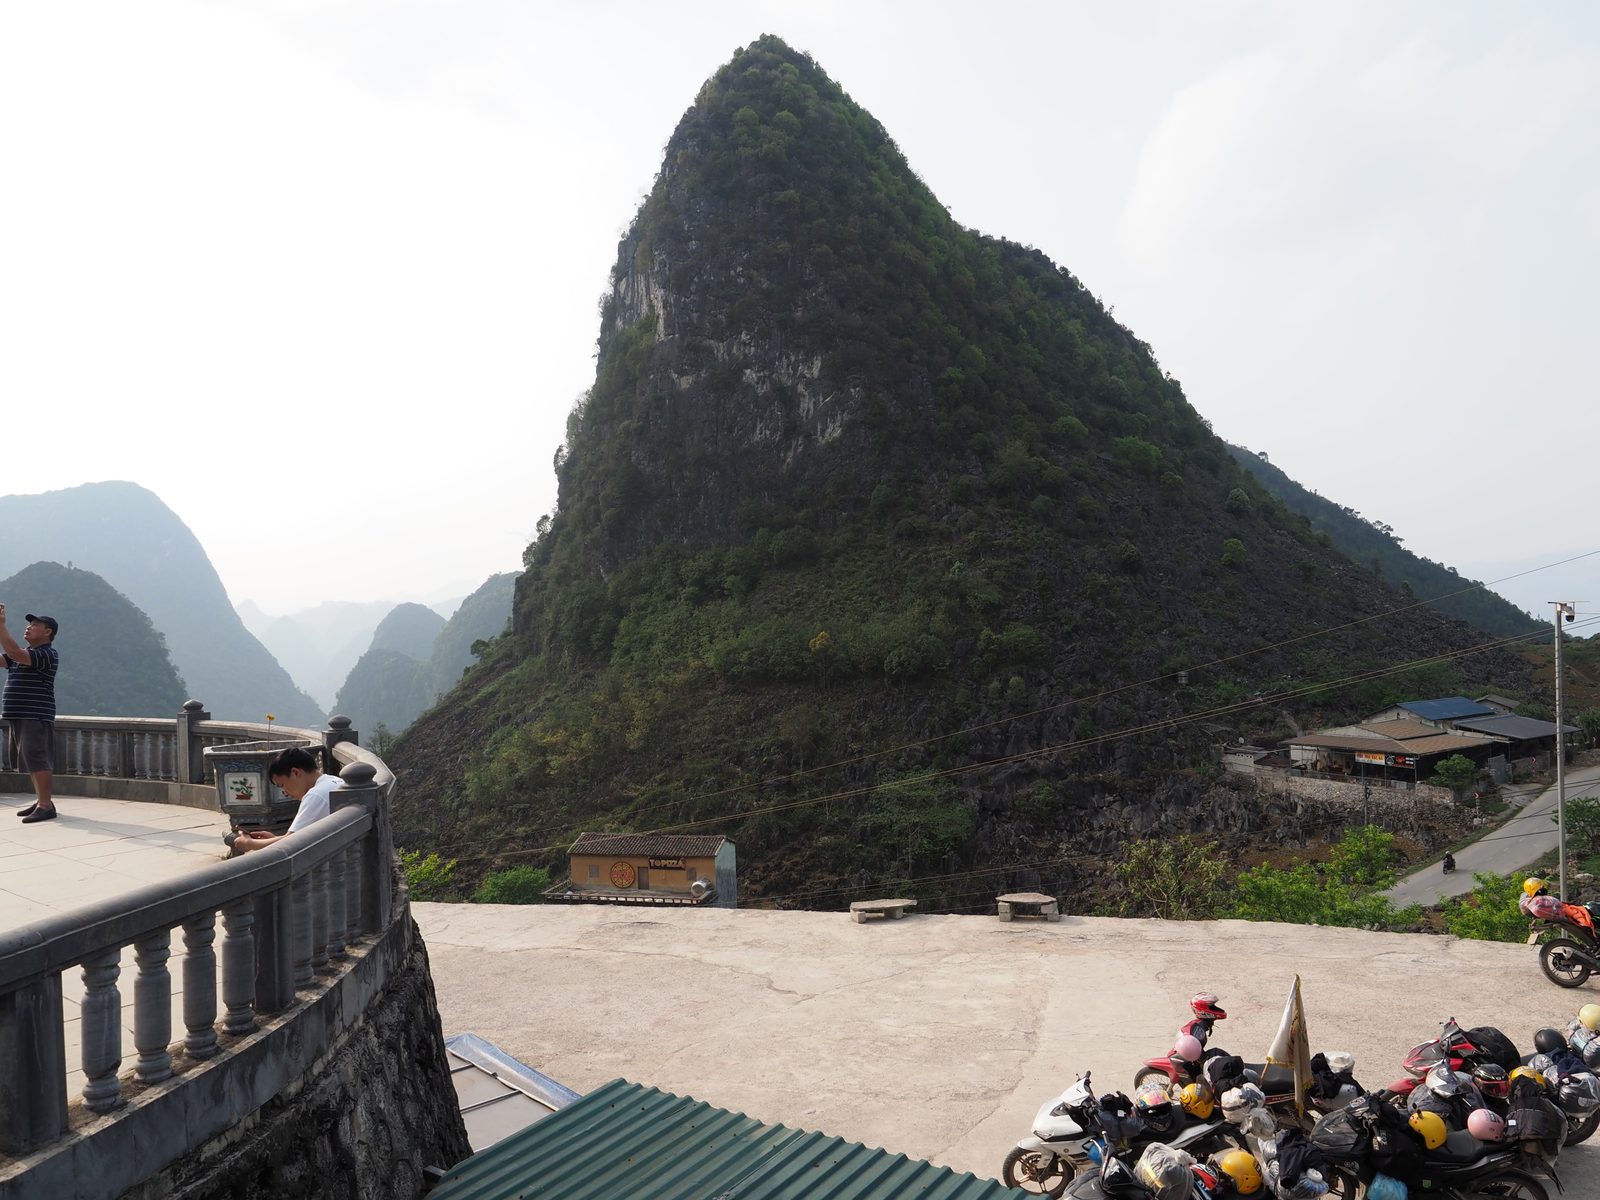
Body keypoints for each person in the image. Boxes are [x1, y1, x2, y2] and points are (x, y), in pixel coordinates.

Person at [0, 606, 60, 824]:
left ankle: (45, 806)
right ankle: (42, 801)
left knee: (37, 759)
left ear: (48, 632)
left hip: (34, 713)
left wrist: (1, 626)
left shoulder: (46, 654)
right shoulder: (24, 654)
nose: (29, 627)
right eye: (29, 623)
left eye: (35, 625)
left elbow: (15, 653)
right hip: (20, 713)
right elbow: (6, 657)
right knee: (29, 760)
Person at [231, 746, 341, 853]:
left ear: (296, 773)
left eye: (282, 785)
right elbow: (296, 837)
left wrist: (249, 844)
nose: (284, 792)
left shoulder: (315, 795)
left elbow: (291, 843)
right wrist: (275, 839)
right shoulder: (333, 781)